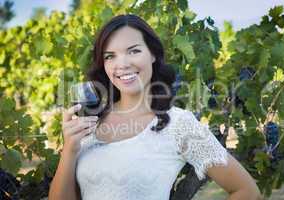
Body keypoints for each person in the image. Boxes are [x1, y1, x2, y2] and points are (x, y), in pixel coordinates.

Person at [48, 14, 262, 200]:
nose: (121, 64)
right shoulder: (89, 123)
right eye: (110, 56)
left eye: (133, 51)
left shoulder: (179, 124)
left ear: (152, 54)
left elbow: (247, 191)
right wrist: (69, 149)